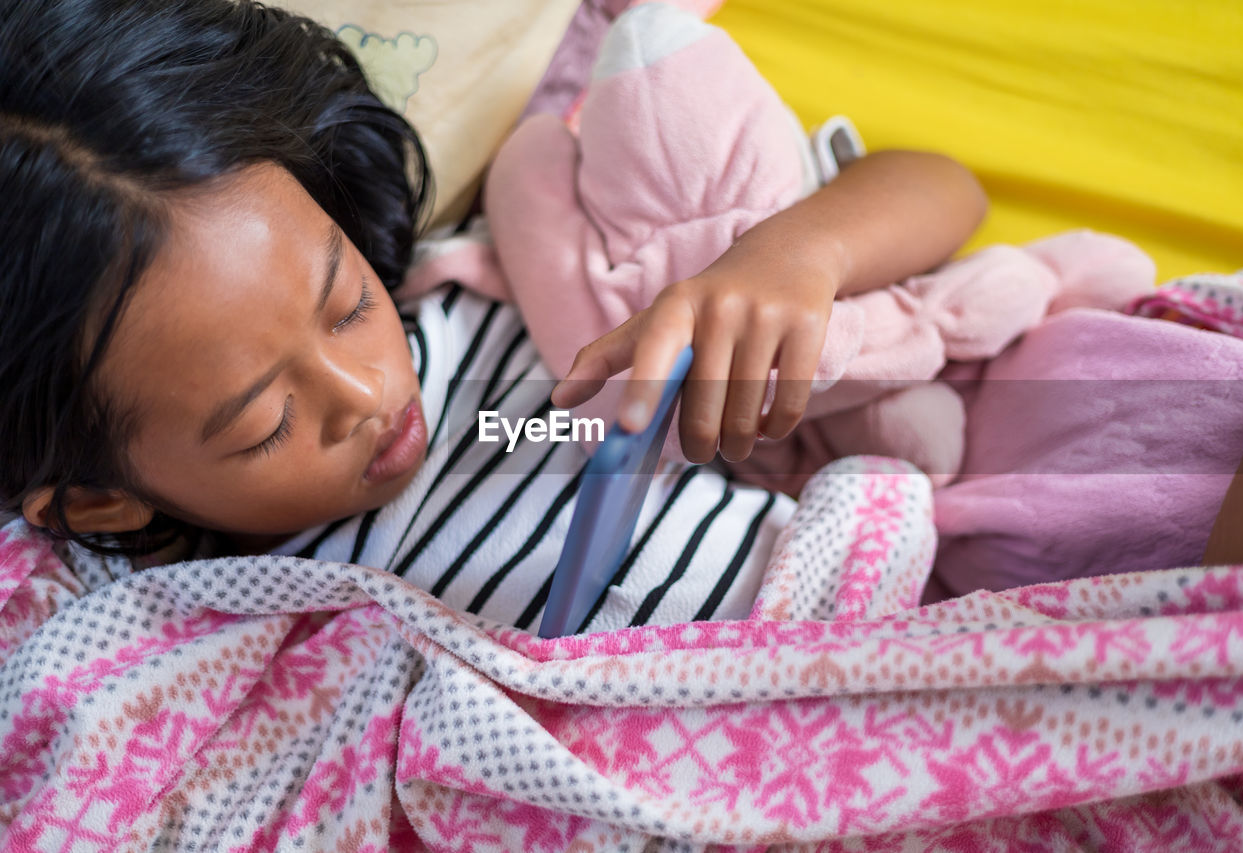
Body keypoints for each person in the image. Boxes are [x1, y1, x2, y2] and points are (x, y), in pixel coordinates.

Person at [0, 0, 984, 631]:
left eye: (348, 305)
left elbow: (942, 191)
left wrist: (793, 257)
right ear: (97, 503)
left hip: (938, 557)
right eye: (265, 423)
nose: (372, 395)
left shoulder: (488, 282)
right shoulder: (218, 633)